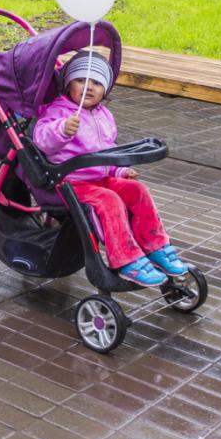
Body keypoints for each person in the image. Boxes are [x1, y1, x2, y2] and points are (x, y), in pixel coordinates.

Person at [32, 52, 188, 287]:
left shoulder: (103, 115)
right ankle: (124, 258)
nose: (89, 87)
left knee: (137, 190)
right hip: (71, 183)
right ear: (68, 83)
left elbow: (108, 150)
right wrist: (62, 130)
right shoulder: (59, 112)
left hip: (100, 177)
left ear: (105, 90)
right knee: (109, 200)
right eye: (81, 80)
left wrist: (119, 171)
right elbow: (42, 140)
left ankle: (155, 245)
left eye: (96, 83)